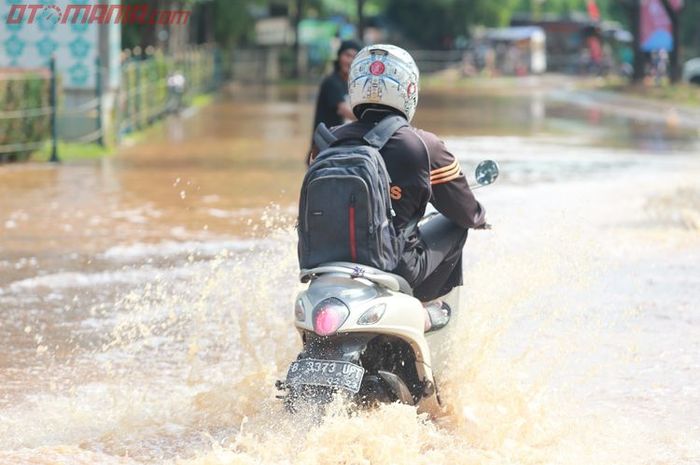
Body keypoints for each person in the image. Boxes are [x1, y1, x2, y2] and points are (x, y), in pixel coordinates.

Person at [308, 44, 487, 331]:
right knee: (456, 225)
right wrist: (480, 218)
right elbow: (464, 210)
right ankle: (426, 308)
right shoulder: (423, 145)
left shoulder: (325, 140)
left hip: (323, 264)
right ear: (409, 89)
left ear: (354, 86)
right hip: (393, 265)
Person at [311, 40, 361, 132]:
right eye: (347, 55)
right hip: (325, 141)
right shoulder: (331, 82)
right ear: (339, 57)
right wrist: (368, 120)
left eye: (354, 57)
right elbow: (343, 110)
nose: (350, 61)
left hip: (339, 138)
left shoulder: (353, 85)